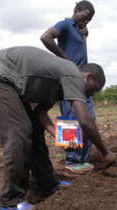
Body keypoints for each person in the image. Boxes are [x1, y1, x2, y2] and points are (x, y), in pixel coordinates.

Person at [0, 46, 115, 210]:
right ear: (88, 77)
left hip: (11, 82)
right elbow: (86, 121)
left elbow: (40, 113)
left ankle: (47, 184)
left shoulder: (60, 85)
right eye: (96, 88)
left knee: (34, 130)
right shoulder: (73, 74)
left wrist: (59, 137)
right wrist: (105, 152)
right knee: (18, 132)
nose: (92, 94)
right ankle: (10, 201)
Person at [41, 0, 96, 174]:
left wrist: (84, 34)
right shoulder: (65, 24)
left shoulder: (80, 30)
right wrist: (66, 61)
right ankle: (72, 161)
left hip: (83, 82)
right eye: (85, 17)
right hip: (69, 79)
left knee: (89, 119)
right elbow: (46, 37)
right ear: (77, 11)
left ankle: (84, 160)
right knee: (72, 121)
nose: (86, 21)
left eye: (90, 20)